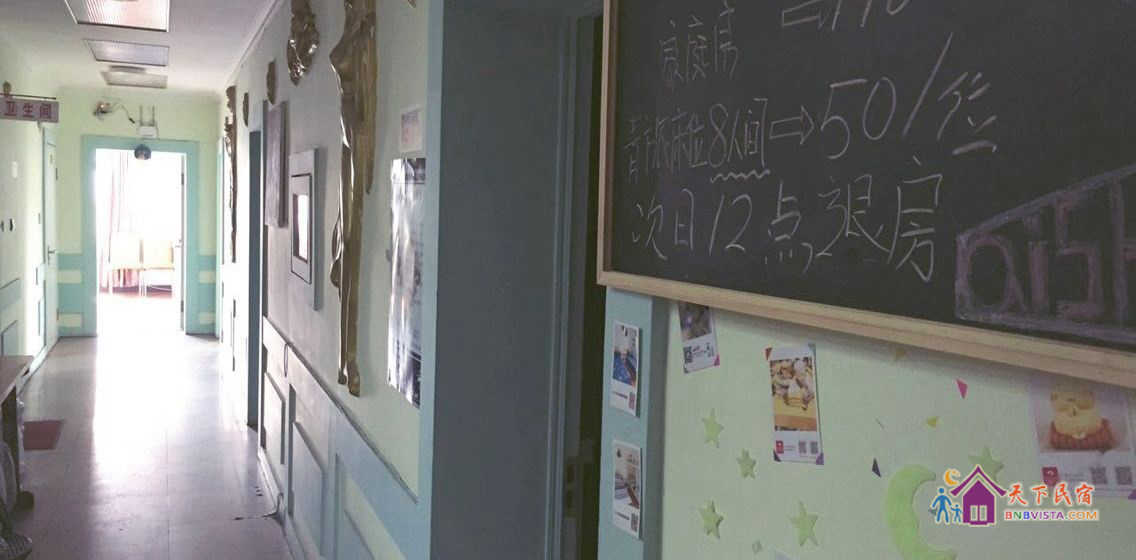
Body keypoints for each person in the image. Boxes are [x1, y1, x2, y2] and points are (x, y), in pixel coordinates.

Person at [329, 0, 377, 396]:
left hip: (355, 130)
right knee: (348, 236)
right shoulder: (354, 35)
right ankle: (345, 357)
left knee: (353, 237)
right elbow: (339, 57)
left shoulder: (363, 34)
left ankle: (348, 357)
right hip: (350, 130)